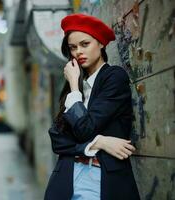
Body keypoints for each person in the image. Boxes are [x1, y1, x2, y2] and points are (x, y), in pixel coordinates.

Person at [44, 14, 140, 200]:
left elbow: (85, 128)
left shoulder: (114, 78)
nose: (78, 52)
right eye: (73, 47)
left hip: (100, 177)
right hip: (68, 176)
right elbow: (57, 139)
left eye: (85, 44)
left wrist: (74, 88)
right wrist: (100, 142)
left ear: (101, 44)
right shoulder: (75, 86)